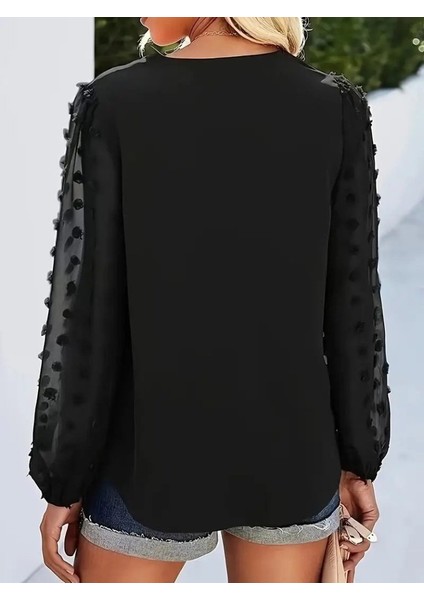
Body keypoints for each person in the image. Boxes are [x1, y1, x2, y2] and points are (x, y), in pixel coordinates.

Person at [29, 17, 391, 583]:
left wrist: (66, 477)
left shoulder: (115, 102)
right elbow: (352, 307)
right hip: (292, 452)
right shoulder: (333, 105)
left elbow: (90, 312)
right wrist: (357, 461)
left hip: (148, 456)